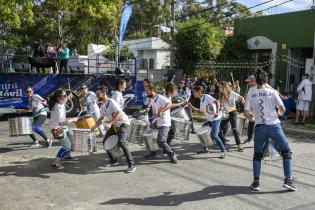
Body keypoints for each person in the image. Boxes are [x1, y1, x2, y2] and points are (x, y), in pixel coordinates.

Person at [244, 69, 296, 191]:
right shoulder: (272, 91)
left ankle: (256, 183)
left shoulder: (251, 92)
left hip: (260, 127)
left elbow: (246, 113)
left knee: (257, 154)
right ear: (266, 80)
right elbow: (282, 109)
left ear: (255, 80)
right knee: (286, 151)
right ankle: (288, 180)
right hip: (274, 126)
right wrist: (277, 114)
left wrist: (253, 119)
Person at [91, 85, 136, 173]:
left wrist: (110, 123)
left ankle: (131, 165)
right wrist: (94, 126)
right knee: (105, 142)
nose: (97, 95)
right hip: (114, 124)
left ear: (104, 93)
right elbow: (101, 118)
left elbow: (120, 113)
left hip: (123, 123)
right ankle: (114, 160)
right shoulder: (103, 105)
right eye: (96, 94)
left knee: (121, 142)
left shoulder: (111, 101)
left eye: (98, 94)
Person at [143, 85, 178, 163]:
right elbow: (155, 112)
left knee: (161, 140)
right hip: (157, 122)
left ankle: (172, 154)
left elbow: (169, 103)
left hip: (165, 123)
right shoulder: (153, 99)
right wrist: (153, 121)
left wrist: (162, 110)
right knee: (148, 136)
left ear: (152, 90)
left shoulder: (159, 97)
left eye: (148, 91)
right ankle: (153, 152)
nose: (146, 92)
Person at [189, 86, 226, 158]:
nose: (193, 93)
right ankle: (205, 148)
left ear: (199, 91)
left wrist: (217, 112)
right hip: (209, 120)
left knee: (214, 135)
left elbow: (217, 102)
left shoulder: (207, 96)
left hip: (216, 118)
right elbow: (200, 111)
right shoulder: (201, 100)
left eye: (194, 92)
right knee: (200, 133)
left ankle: (224, 151)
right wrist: (191, 106)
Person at [50, 90, 77, 169]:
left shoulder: (59, 104)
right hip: (58, 130)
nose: (66, 97)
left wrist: (68, 95)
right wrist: (73, 120)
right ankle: (55, 163)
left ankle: (67, 155)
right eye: (65, 96)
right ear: (59, 98)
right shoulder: (59, 108)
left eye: (66, 96)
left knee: (71, 140)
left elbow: (65, 98)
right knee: (67, 146)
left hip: (61, 128)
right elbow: (62, 123)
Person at [218, 81, 245, 152]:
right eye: (219, 87)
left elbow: (241, 98)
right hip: (225, 113)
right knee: (219, 129)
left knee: (234, 129)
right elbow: (221, 105)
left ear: (224, 87)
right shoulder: (221, 95)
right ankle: (223, 141)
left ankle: (239, 145)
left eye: (220, 87)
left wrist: (242, 103)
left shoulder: (231, 93)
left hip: (232, 112)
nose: (219, 88)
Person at [242, 75, 257, 144]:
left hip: (257, 111)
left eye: (249, 82)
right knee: (251, 124)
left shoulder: (254, 88)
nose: (248, 83)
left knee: (257, 126)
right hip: (253, 110)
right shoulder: (251, 89)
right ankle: (249, 138)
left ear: (254, 81)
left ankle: (255, 140)